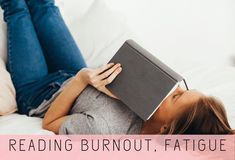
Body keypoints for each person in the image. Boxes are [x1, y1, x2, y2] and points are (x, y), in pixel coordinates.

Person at [1, 0, 234, 135]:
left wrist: (82, 79)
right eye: (183, 88)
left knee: (18, 8)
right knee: (44, 5)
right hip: (74, 72)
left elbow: (49, 123)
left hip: (39, 93)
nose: (173, 89)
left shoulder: (105, 130)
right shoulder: (148, 100)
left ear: (165, 129)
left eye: (177, 98)